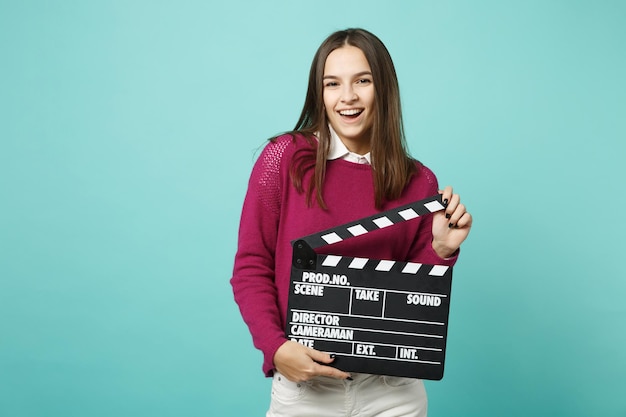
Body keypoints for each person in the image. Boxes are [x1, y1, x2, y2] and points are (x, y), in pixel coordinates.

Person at [231, 28, 472, 417]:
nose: (347, 97)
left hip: (392, 391)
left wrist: (441, 249)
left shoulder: (419, 181)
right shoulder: (284, 159)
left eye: (363, 80)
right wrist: (276, 347)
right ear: (319, 93)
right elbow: (250, 266)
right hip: (307, 387)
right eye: (332, 83)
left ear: (384, 89)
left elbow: (410, 297)